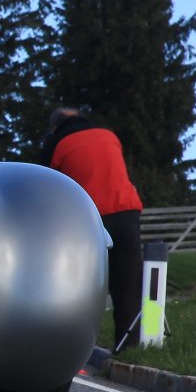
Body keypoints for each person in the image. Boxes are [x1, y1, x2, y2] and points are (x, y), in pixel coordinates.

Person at [41, 107, 144, 351]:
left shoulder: (57, 143)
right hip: (126, 214)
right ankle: (128, 347)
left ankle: (75, 347)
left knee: (81, 284)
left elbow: (47, 183)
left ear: (55, 126)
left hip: (91, 217)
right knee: (128, 285)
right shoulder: (108, 135)